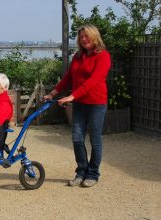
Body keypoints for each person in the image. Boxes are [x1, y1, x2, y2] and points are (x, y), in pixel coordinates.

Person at [44, 24, 111, 187]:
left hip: (96, 104)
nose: (83, 39)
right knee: (77, 138)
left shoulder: (103, 56)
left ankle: (93, 174)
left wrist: (71, 96)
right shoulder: (78, 57)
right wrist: (53, 93)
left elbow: (93, 81)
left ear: (94, 37)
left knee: (95, 140)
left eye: (86, 36)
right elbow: (68, 78)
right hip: (80, 104)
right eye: (81, 37)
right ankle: (81, 172)